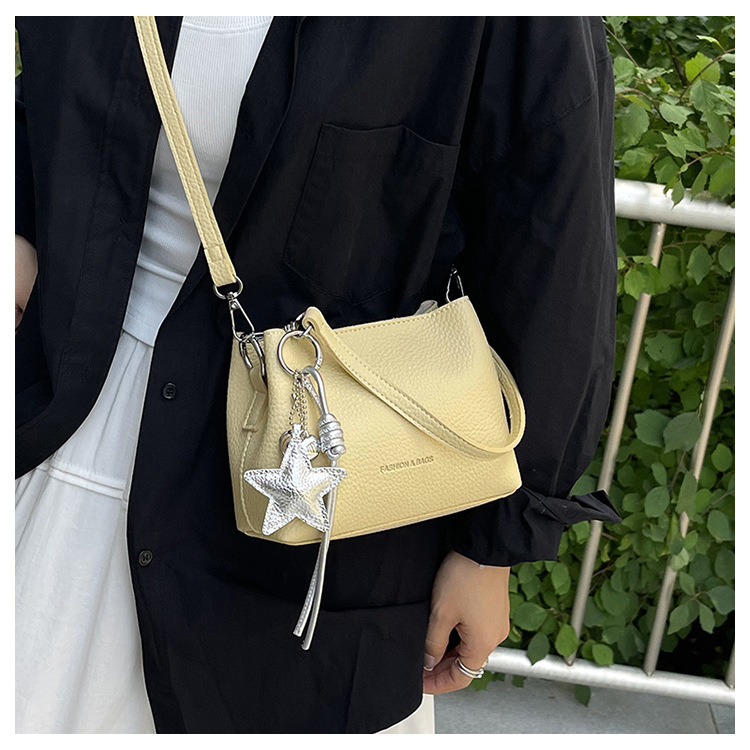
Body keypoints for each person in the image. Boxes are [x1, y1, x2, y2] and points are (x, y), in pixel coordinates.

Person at [15, 16, 621, 734]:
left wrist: (492, 545)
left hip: (334, 498)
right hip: (73, 429)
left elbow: (553, 245)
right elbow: (42, 114)